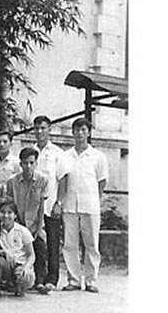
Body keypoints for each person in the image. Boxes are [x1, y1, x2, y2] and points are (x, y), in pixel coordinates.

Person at [60, 118, 108, 294]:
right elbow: (63, 179)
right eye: (77, 130)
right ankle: (73, 280)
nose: (80, 133)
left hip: (90, 205)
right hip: (70, 205)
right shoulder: (65, 156)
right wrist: (61, 202)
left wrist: (96, 199)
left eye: (83, 130)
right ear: (72, 132)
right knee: (69, 244)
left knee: (92, 244)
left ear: (88, 132)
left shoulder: (98, 156)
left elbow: (101, 181)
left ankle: (91, 280)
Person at [30, 115, 67, 291]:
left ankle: (52, 279)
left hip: (51, 205)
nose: (39, 131)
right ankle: (38, 278)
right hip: (33, 207)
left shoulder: (57, 153)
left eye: (43, 128)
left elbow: (63, 178)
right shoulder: (30, 151)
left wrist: (59, 202)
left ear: (49, 129)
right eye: (37, 128)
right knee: (36, 242)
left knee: (52, 242)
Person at [6, 147, 49, 295]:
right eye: (25, 163)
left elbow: (41, 206)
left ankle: (40, 281)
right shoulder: (12, 181)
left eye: (31, 163)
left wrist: (39, 228)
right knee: (14, 249)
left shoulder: (43, 180)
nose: (28, 166)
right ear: (20, 164)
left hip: (34, 224)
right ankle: (14, 280)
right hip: (17, 223)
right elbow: (10, 205)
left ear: (36, 163)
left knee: (40, 245)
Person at [0, 201, 36, 300]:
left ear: (15, 215)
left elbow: (31, 254)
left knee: (27, 278)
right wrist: (5, 252)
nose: (6, 216)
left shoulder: (22, 231)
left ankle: (18, 287)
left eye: (9, 213)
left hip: (20, 263)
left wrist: (26, 267)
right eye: (2, 212)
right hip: (6, 264)